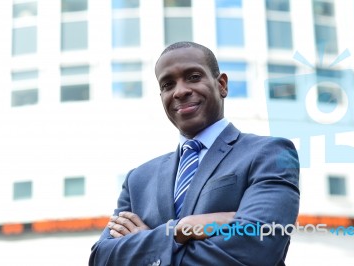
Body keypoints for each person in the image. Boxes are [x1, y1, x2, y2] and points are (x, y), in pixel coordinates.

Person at [89, 41, 300, 266]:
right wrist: (181, 229)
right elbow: (102, 258)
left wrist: (149, 250)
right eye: (168, 84)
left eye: (193, 77)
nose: (180, 91)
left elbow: (256, 249)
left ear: (222, 85)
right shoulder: (138, 180)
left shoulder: (270, 154)